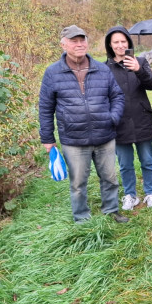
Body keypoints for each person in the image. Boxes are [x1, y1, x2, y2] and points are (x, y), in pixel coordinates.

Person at [39, 25, 126, 223]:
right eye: (73, 40)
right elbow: (45, 107)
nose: (79, 44)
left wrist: (112, 118)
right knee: (78, 182)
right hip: (73, 139)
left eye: (82, 40)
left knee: (110, 178)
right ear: (63, 44)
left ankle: (111, 211)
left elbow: (118, 97)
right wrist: (47, 138)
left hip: (105, 136)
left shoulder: (102, 69)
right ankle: (81, 218)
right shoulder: (52, 73)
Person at [104, 26, 152, 209]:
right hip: (119, 123)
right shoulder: (104, 68)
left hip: (141, 118)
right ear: (110, 45)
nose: (120, 45)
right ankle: (130, 195)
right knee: (125, 164)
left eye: (123, 41)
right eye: (116, 42)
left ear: (128, 42)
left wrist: (138, 70)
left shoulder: (141, 61)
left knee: (147, 160)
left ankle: (151, 192)